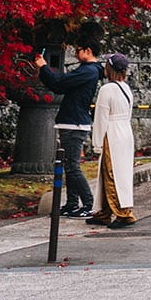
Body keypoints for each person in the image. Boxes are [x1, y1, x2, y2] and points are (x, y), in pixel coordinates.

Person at [33, 28, 104, 219]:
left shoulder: (89, 71)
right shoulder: (88, 71)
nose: (75, 53)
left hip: (75, 123)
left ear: (88, 51)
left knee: (72, 166)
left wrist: (44, 67)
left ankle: (88, 203)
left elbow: (60, 82)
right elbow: (59, 83)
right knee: (68, 165)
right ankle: (72, 203)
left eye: (78, 49)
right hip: (70, 121)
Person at [88, 53, 136, 229]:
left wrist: (97, 143)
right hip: (125, 131)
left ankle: (123, 213)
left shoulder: (106, 90)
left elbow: (101, 118)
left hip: (112, 132)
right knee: (120, 172)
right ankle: (104, 211)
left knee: (111, 173)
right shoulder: (126, 88)